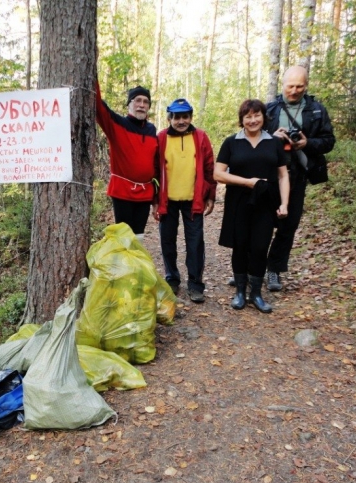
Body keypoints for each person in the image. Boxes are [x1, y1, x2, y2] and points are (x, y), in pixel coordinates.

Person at [264, 65, 336, 291]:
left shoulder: (316, 110)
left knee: (288, 224)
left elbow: (329, 141)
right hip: (270, 174)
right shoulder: (269, 109)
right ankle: (250, 268)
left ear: (306, 86)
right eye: (290, 86)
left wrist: (307, 143)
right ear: (282, 85)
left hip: (298, 174)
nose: (294, 90)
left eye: (299, 86)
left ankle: (274, 269)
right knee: (263, 223)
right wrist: (271, 138)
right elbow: (252, 137)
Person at [214, 99, 290, 313]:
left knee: (259, 246)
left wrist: (284, 203)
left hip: (266, 202)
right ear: (242, 120)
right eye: (248, 116)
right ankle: (240, 292)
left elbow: (283, 175)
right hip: (238, 201)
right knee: (240, 245)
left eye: (257, 115)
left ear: (264, 117)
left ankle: (256, 293)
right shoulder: (231, 142)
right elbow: (218, 173)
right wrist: (247, 182)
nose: (253, 120)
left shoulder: (274, 143)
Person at [154, 98, 216, 303]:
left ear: (190, 117)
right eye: (177, 117)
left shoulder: (200, 137)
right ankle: (172, 278)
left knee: (195, 242)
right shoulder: (161, 138)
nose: (181, 121)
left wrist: (210, 196)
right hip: (168, 200)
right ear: (169, 118)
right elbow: (154, 169)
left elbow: (209, 168)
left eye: (185, 116)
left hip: (193, 199)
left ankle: (195, 284)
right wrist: (154, 201)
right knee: (167, 240)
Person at [96, 82, 159, 239]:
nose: (141, 105)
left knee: (138, 236)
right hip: (122, 191)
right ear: (129, 104)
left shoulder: (152, 130)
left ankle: (134, 264)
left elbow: (157, 165)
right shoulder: (117, 124)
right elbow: (98, 106)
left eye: (145, 102)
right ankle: (120, 264)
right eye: (137, 100)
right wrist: (93, 75)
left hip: (145, 193)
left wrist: (157, 198)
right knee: (123, 236)